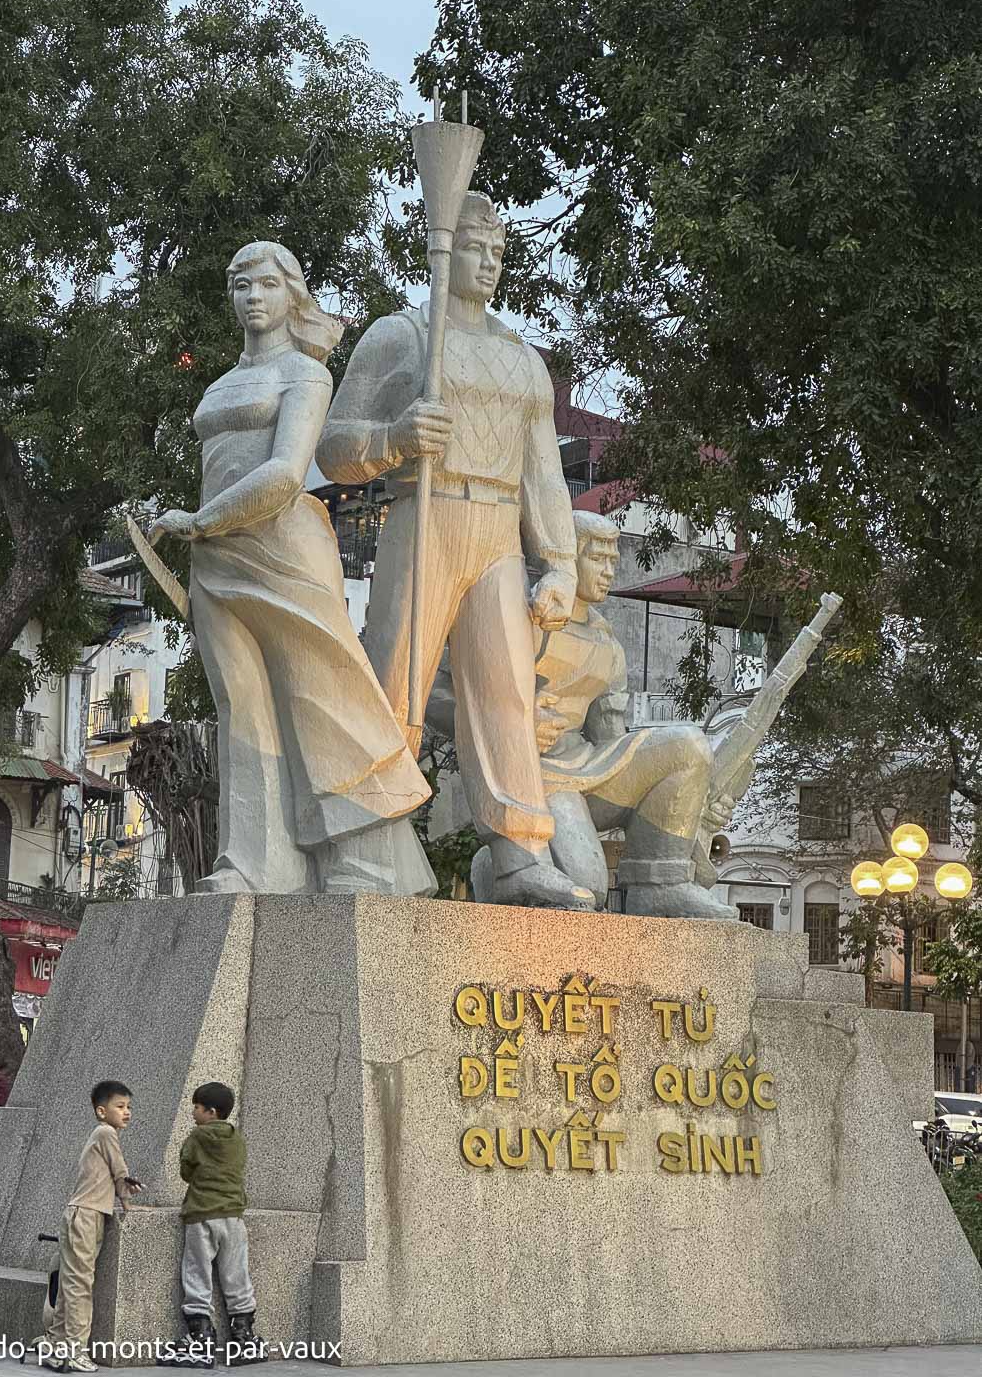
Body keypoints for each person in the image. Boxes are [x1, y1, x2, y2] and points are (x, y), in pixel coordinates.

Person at [318, 193, 592, 910]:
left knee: (504, 693)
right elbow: (335, 446)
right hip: (424, 512)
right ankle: (368, 833)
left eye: (500, 252)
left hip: (499, 528)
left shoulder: (520, 359)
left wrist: (559, 562)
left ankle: (520, 855)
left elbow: (543, 470)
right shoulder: (400, 337)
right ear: (443, 251)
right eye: (477, 247)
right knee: (396, 683)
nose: (491, 262)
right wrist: (394, 439)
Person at [150, 241, 433, 898]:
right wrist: (198, 530)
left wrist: (200, 520)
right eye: (239, 284)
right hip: (215, 556)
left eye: (266, 285)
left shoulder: (306, 376)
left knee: (322, 696)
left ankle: (362, 858)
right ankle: (256, 863)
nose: (252, 297)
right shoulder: (221, 384)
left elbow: (282, 475)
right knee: (242, 708)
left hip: (281, 545)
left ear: (292, 294)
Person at [468, 511, 735, 917]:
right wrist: (509, 722)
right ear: (567, 558)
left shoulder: (606, 642)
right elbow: (443, 696)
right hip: (533, 776)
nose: (610, 572)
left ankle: (659, 884)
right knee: (588, 887)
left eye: (614, 561)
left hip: (588, 768)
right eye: (599, 559)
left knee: (688, 746)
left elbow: (611, 739)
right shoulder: (513, 617)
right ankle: (499, 864)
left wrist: (692, 802)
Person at [40, 1080, 141, 1372]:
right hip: (85, 1216)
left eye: (129, 1107)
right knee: (80, 1285)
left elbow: (116, 1178)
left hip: (83, 1214)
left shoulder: (102, 1134)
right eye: (120, 1106)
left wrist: (125, 1194)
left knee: (72, 1284)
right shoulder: (106, 1132)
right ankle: (75, 1351)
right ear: (101, 1111)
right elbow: (120, 1171)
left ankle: (56, 1345)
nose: (127, 1113)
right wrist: (128, 1203)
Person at [160, 1082, 260, 1370]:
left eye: (196, 1107)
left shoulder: (197, 1136)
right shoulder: (237, 1139)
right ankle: (243, 1337)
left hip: (202, 1215)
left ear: (211, 1112)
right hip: (233, 1216)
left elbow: (186, 1170)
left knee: (197, 1272)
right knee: (236, 1274)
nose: (193, 1113)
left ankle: (200, 1337)